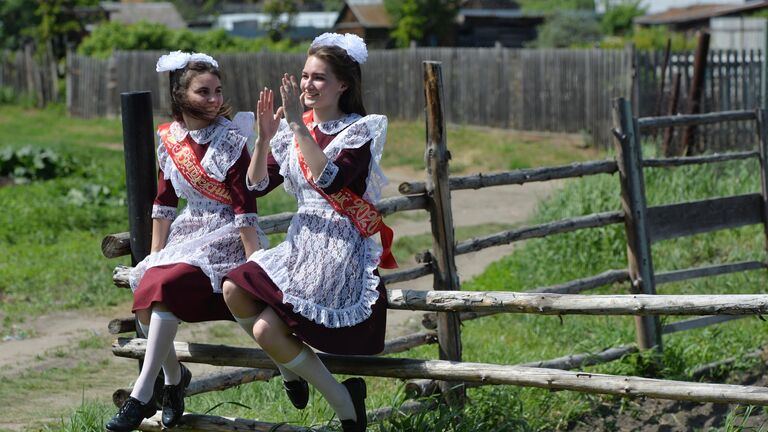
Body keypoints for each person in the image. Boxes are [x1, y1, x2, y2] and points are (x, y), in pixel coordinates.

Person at [222, 33, 396, 432]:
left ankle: (343, 402)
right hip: (302, 239)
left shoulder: (360, 130)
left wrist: (300, 127)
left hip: (340, 245)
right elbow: (256, 185)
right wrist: (265, 138)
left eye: (319, 78)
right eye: (304, 76)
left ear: (343, 85)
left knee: (266, 328)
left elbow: (331, 181)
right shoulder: (294, 130)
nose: (307, 85)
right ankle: (294, 372)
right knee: (234, 288)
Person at [106, 51, 267, 432]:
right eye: (203, 92)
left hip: (224, 234)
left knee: (161, 288)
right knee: (148, 290)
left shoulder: (230, 137)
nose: (214, 99)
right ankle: (176, 379)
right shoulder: (170, 138)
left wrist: (254, 261)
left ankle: (142, 394)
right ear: (180, 95)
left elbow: (245, 205)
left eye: (217, 91)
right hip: (187, 232)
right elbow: (164, 203)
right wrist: (156, 256)